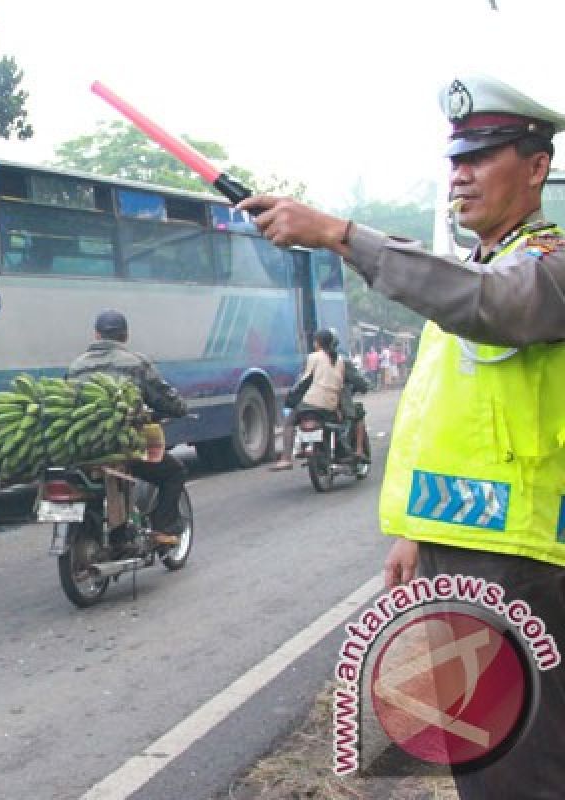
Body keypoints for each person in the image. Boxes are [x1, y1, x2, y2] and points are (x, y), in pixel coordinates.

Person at [239, 74, 565, 800]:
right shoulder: (472, 272)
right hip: (469, 552)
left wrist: (339, 235)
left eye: (481, 157)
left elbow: (493, 304)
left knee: (516, 772)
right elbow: (445, 418)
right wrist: (416, 532)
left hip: (527, 561)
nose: (461, 175)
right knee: (483, 757)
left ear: (537, 166)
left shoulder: (545, 265)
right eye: (455, 160)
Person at [68, 310, 188, 545]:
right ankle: (163, 528)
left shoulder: (75, 367)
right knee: (175, 472)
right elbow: (167, 399)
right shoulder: (135, 363)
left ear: (96, 334)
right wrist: (180, 408)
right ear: (125, 336)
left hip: (82, 450)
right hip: (124, 449)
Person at [270, 328, 345, 470]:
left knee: (290, 422)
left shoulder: (314, 357)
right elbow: (340, 386)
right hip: (331, 405)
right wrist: (338, 409)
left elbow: (304, 381)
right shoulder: (340, 360)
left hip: (313, 402)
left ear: (318, 343)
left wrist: (290, 399)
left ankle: (286, 458)